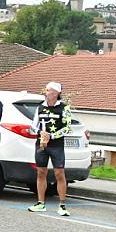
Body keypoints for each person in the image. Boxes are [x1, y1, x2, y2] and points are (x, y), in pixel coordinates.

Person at [28, 81, 72, 216]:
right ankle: (41, 203)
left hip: (56, 146)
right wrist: (41, 133)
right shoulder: (40, 107)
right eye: (46, 90)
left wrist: (52, 136)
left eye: (49, 91)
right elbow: (32, 126)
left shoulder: (65, 108)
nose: (46, 93)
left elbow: (67, 128)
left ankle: (62, 205)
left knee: (59, 173)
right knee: (41, 172)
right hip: (41, 144)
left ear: (57, 93)